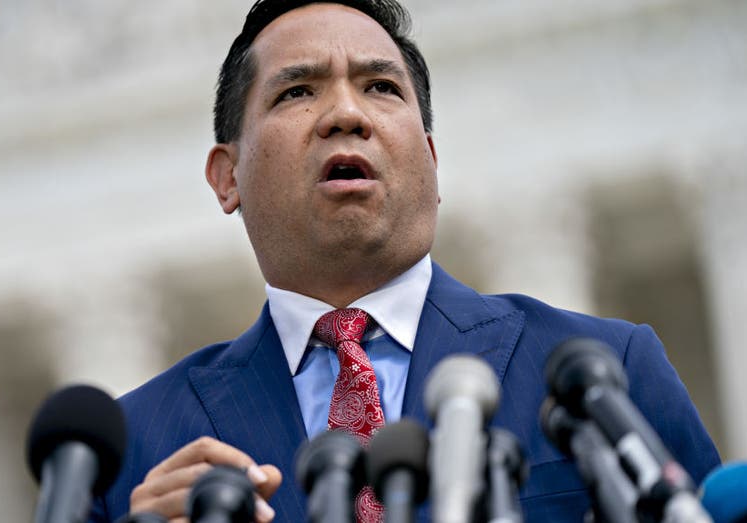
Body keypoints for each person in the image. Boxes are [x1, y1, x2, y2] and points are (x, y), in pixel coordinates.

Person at [91, 0, 720, 521]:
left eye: (381, 87)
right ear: (227, 177)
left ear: (430, 159)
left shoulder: (609, 377)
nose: (346, 114)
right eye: (297, 91)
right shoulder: (131, 448)